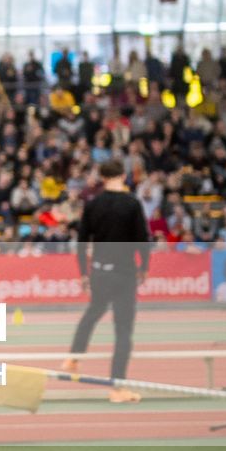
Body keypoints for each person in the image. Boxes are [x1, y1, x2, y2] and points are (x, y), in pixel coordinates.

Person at [65, 161, 151, 402]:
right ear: (123, 176)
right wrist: (144, 266)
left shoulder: (93, 205)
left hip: (100, 272)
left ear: (101, 176)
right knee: (123, 330)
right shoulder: (132, 203)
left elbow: (82, 242)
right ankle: (117, 387)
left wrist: (83, 273)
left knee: (93, 311)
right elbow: (143, 240)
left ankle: (73, 357)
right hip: (124, 273)